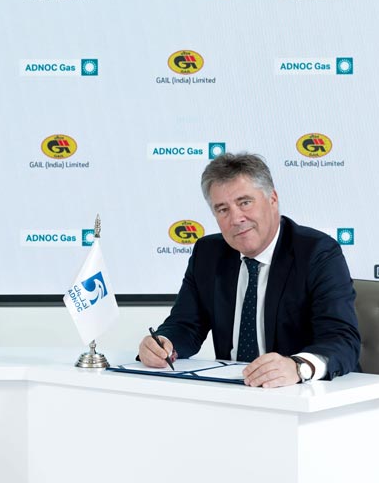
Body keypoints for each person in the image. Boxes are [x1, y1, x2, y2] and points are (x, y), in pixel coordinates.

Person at [138, 153, 360, 387]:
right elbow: (186, 325)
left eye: (244, 202)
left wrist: (298, 366)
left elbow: (342, 339)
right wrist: (163, 343)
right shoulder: (208, 253)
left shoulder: (317, 252)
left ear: (272, 199)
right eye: (222, 209)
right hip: (237, 392)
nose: (236, 218)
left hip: (308, 393)